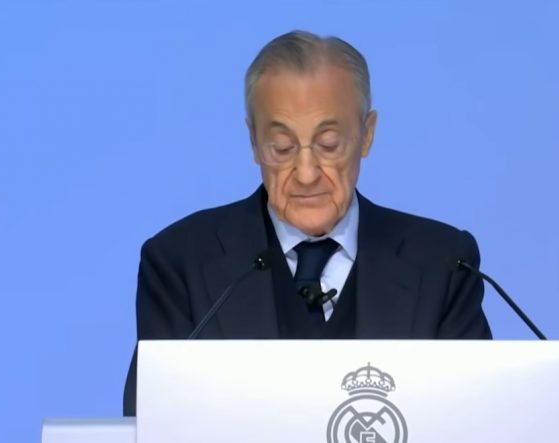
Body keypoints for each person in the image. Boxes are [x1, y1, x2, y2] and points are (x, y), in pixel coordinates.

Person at [123, 30, 491, 416]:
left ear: (366, 135)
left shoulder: (444, 264)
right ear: (253, 141)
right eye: (281, 148)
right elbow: (150, 421)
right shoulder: (180, 263)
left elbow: (477, 419)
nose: (306, 173)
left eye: (328, 144)